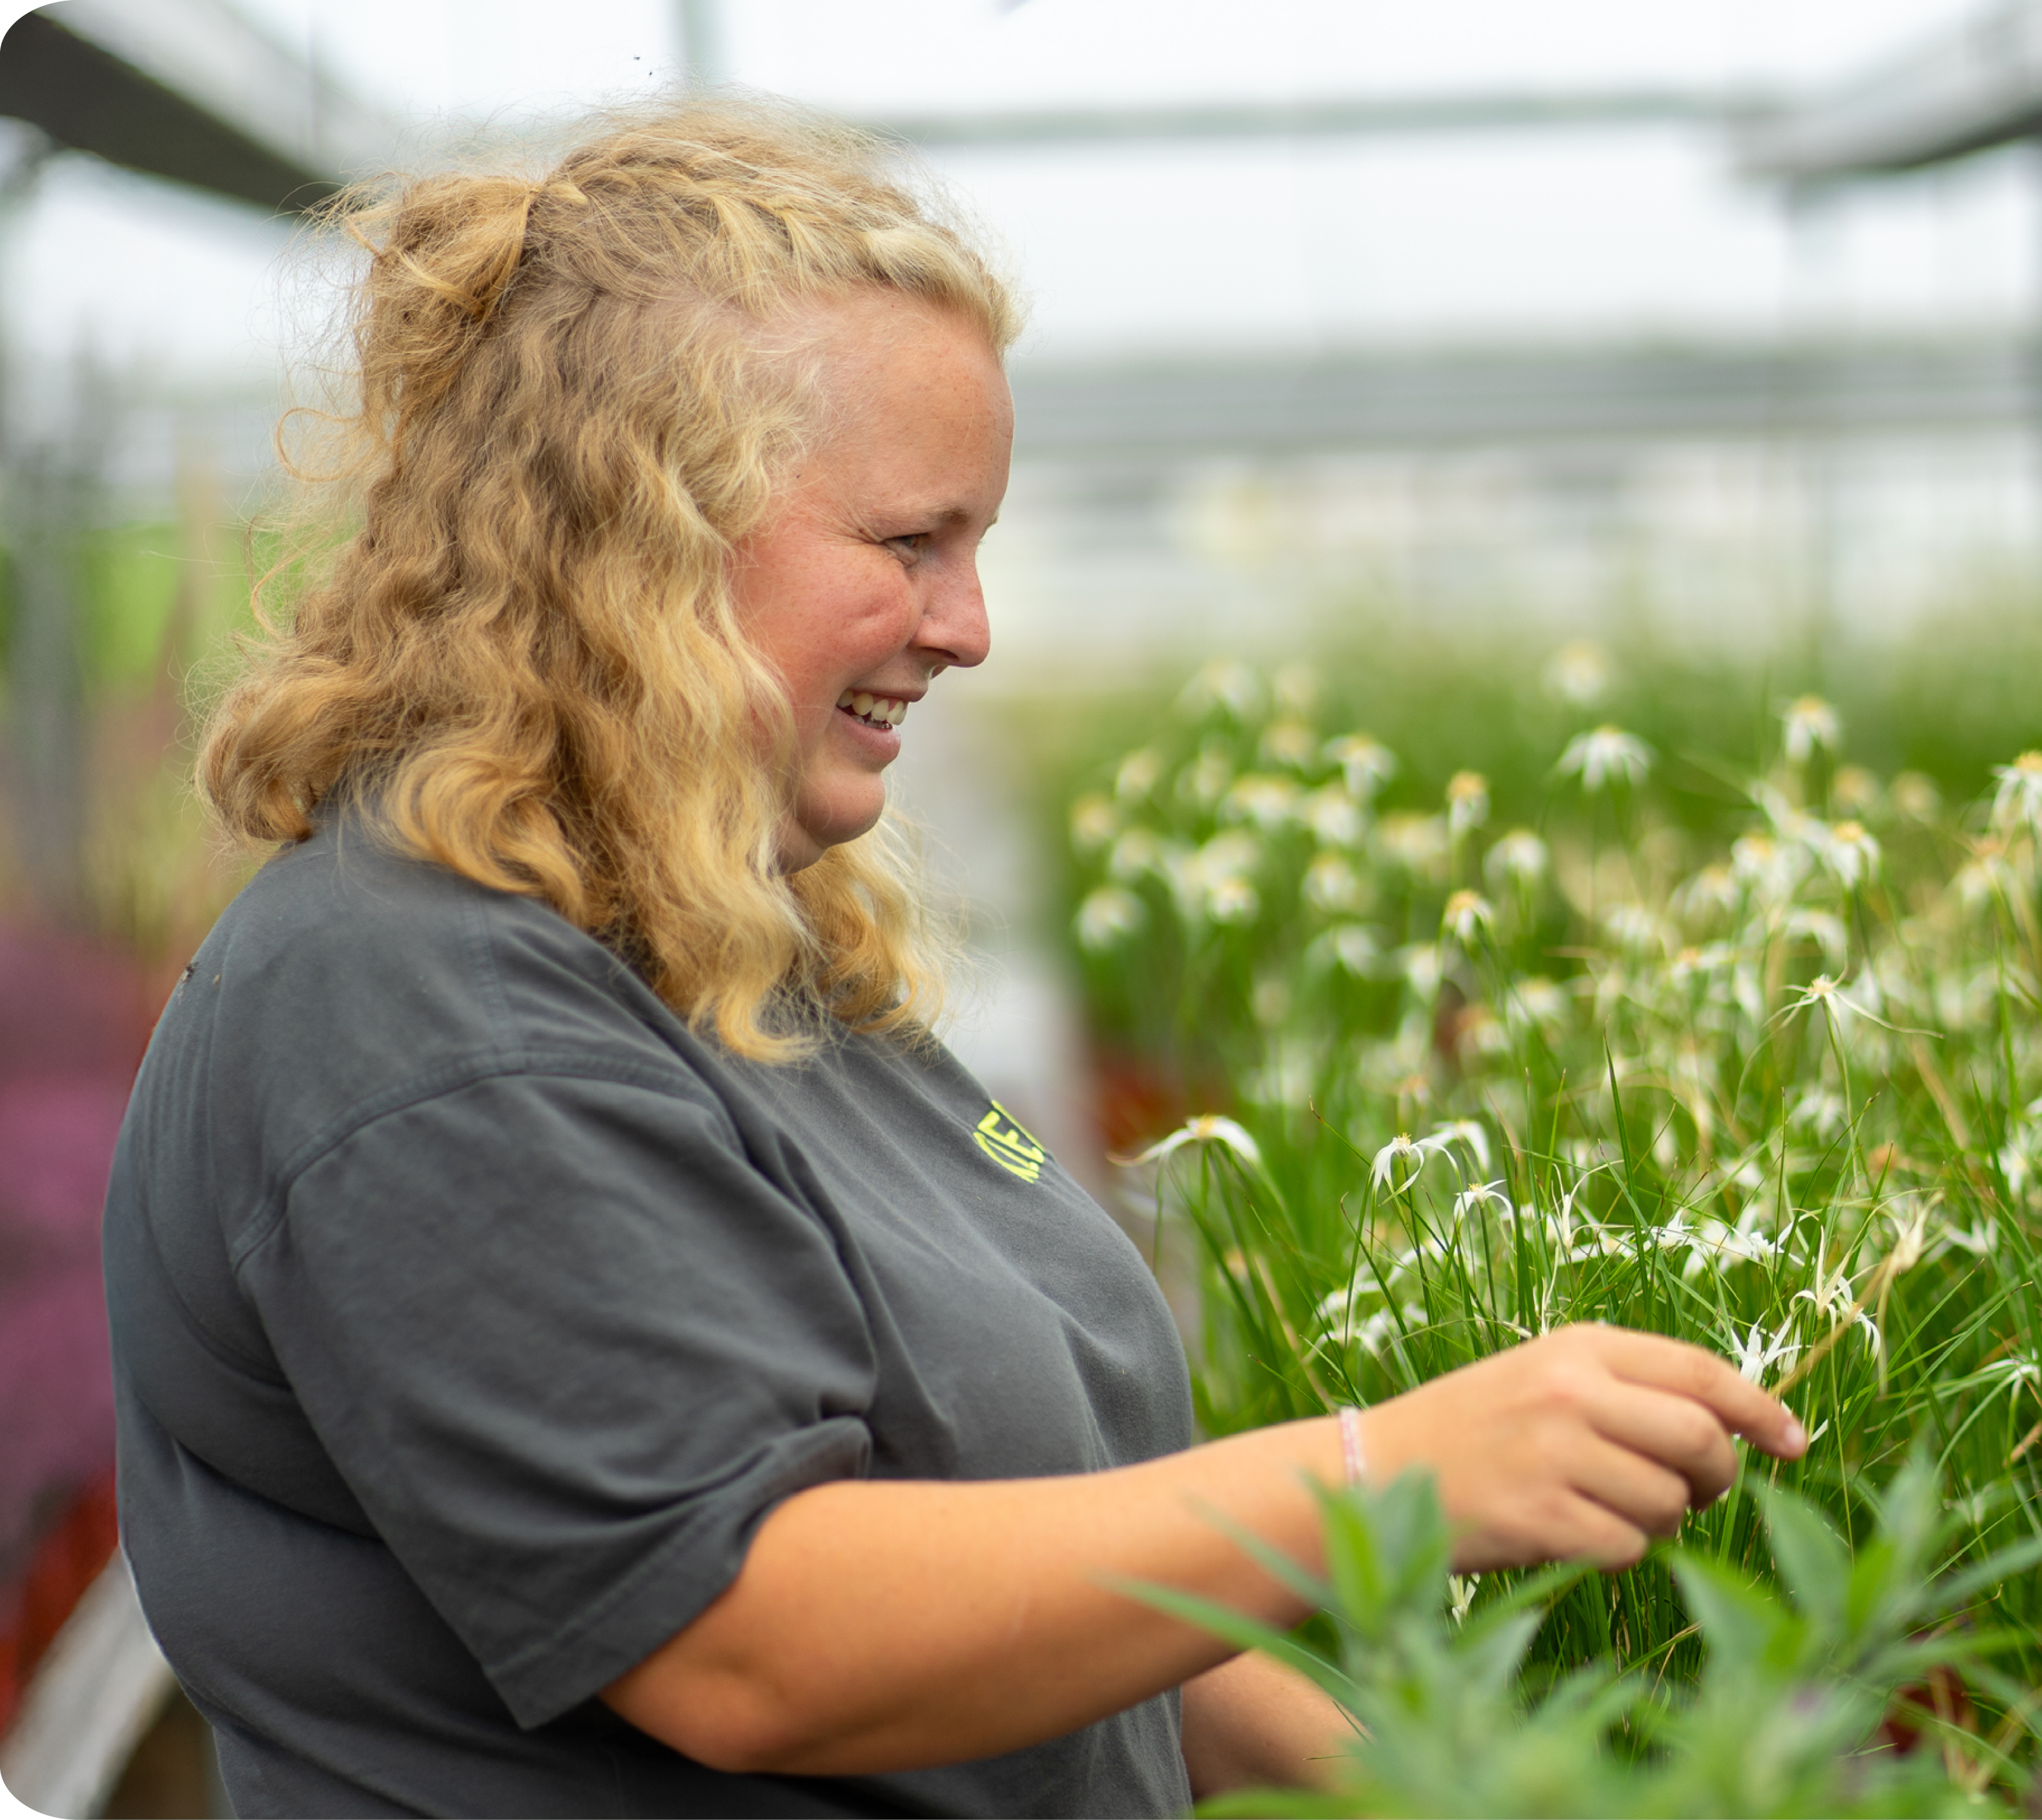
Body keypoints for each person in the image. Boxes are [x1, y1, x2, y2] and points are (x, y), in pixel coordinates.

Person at [102, 99, 1808, 1817]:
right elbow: (746, 1636)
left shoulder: (734, 949)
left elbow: (1099, 1613)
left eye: (976, 547)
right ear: (642, 532)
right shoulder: (418, 1012)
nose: (970, 627)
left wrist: (1472, 1792)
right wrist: (1384, 1481)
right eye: (911, 542)